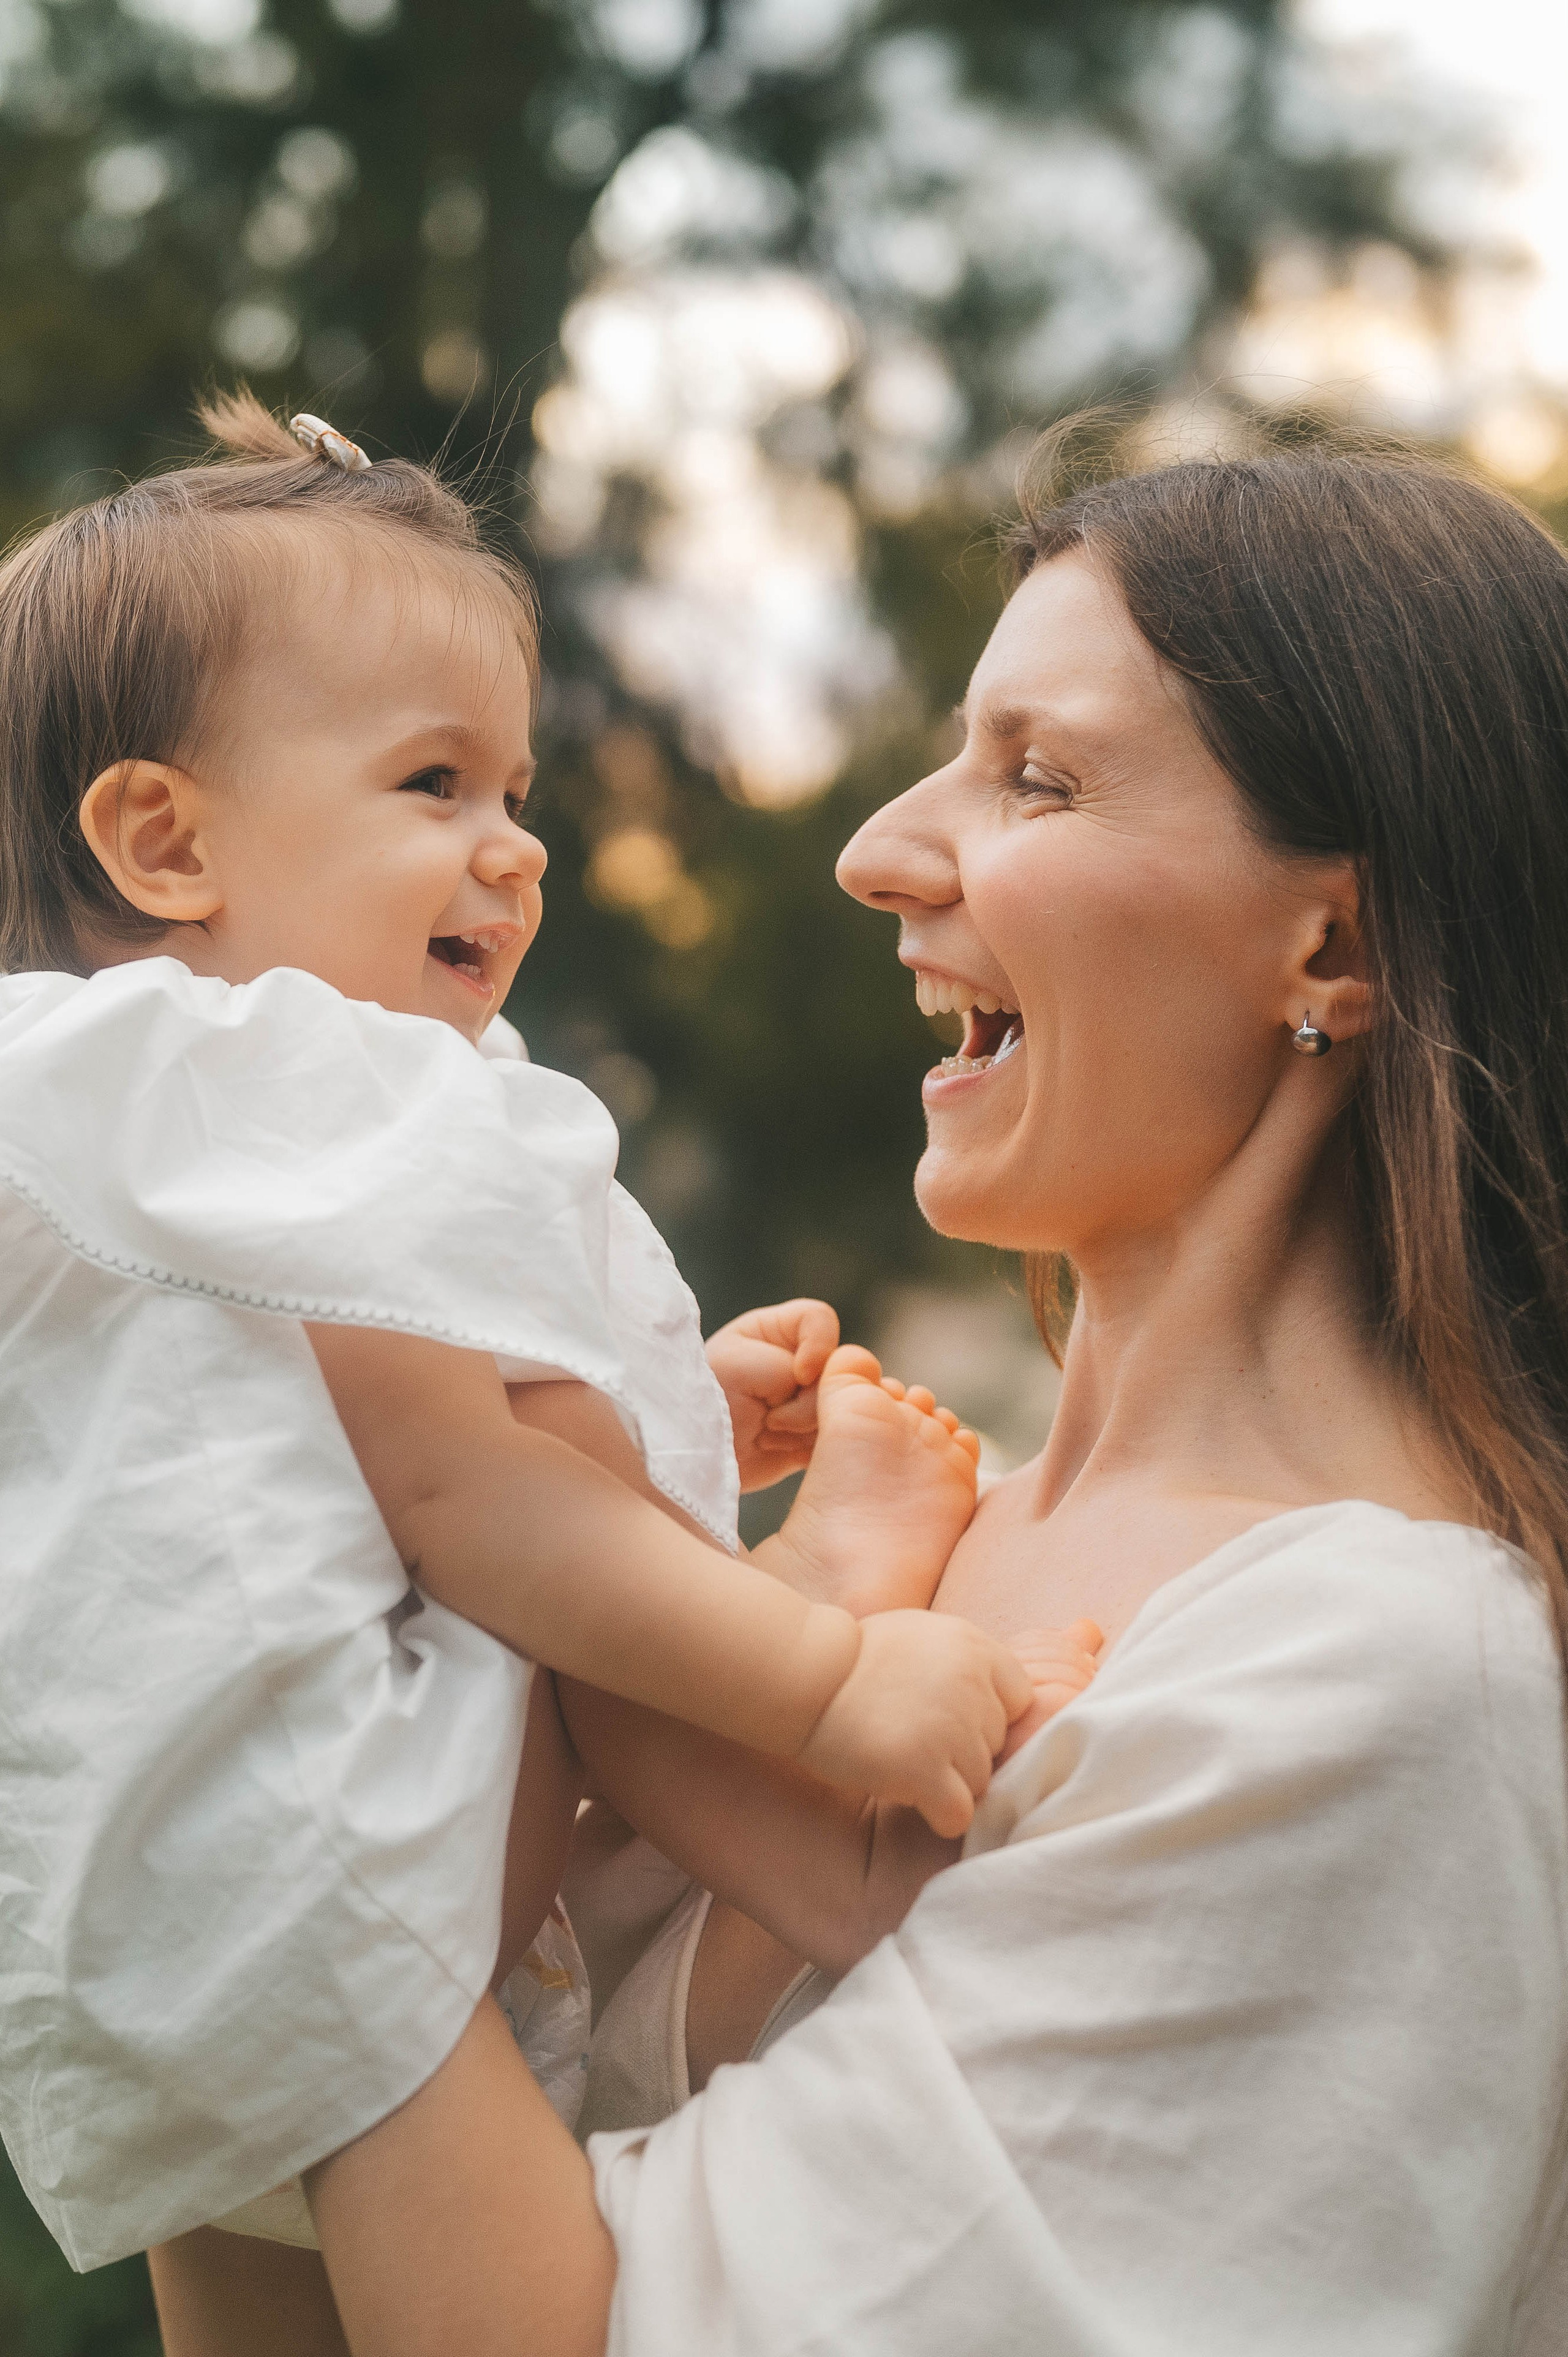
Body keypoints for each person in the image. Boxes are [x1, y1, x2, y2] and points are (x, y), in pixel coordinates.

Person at [250, 431, 1566, 2357]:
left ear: (1334, 941)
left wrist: (234, 1782)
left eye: (1039, 775)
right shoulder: (854, 1566)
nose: (877, 848)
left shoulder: (1375, 1681)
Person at [0, 393, 1104, 2282]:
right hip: (330, 1924)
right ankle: (831, 1701)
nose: (512, 851)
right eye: (435, 788)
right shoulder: (306, 1086)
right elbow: (467, 1496)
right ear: (163, 842)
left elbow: (334, 1435)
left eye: (517, 794)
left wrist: (660, 1390)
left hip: (179, 1906)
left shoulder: (147, 1106)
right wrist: (831, 1678)